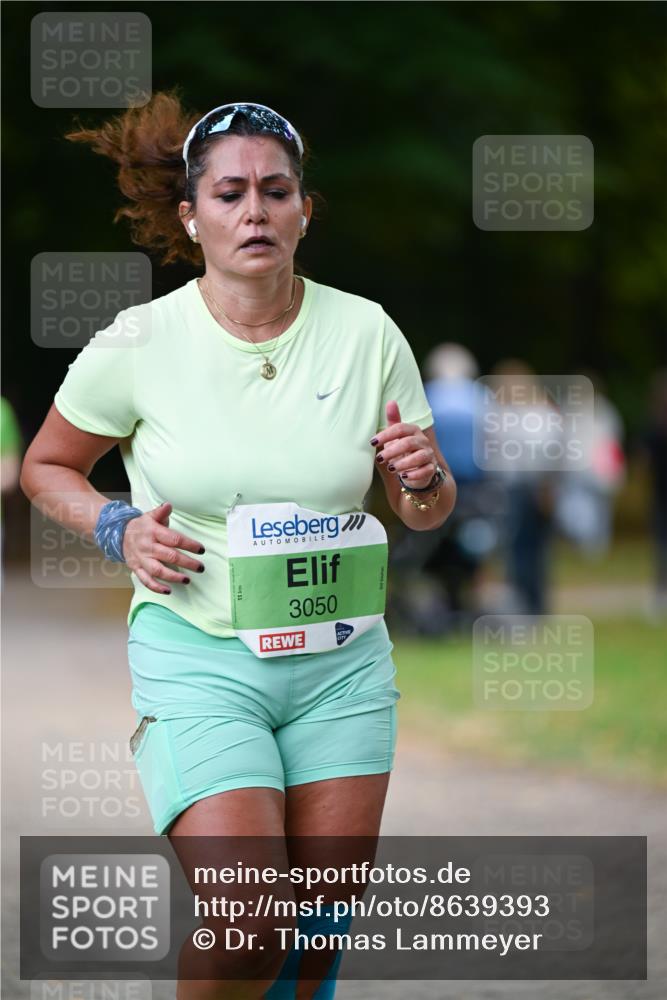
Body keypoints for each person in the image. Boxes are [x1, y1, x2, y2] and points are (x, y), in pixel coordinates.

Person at [19, 94, 456, 1000]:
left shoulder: (366, 331)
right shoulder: (141, 339)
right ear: (191, 215)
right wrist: (117, 526)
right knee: (253, 917)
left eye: (275, 190)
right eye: (228, 193)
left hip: (340, 663)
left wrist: (422, 476)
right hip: (199, 655)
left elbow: (423, 511)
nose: (253, 210)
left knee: (323, 912)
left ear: (304, 210)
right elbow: (47, 466)